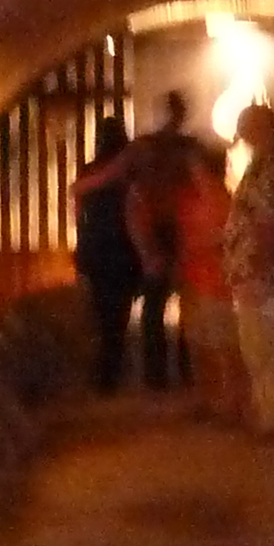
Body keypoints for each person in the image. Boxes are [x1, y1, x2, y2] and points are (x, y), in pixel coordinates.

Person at [222, 103, 274, 437]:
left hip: (261, 274)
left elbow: (266, 224)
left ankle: (272, 418)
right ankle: (269, 413)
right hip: (267, 271)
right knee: (266, 346)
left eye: (244, 125)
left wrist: (257, 270)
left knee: (262, 347)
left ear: (260, 129)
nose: (240, 132)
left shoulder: (268, 170)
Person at [124, 91, 206, 391]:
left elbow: (136, 197)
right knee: (184, 305)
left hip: (164, 228)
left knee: (157, 307)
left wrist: (145, 245)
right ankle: (183, 371)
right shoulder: (187, 149)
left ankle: (157, 374)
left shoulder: (148, 148)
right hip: (177, 228)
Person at [72, 116, 147, 392]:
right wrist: (145, 253)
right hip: (122, 251)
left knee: (101, 315)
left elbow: (78, 213)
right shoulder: (129, 176)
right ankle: (112, 370)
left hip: (94, 250)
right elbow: (134, 217)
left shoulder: (88, 172)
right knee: (118, 315)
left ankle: (105, 373)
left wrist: (81, 247)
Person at [173, 133, 238, 420]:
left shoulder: (221, 197)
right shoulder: (190, 197)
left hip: (213, 279)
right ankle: (209, 398)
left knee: (219, 344)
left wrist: (197, 246)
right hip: (192, 277)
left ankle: (228, 400)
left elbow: (226, 237)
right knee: (199, 344)